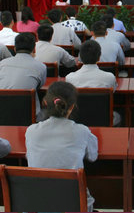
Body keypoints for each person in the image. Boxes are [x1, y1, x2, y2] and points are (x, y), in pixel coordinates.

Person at [25, 82, 98, 211]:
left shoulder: (31, 131)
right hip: (72, 205)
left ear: (45, 103)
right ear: (72, 107)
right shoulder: (81, 131)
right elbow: (92, 156)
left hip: (37, 203)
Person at [66, 39, 121, 125]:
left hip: (77, 121)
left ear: (80, 57)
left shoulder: (69, 78)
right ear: (99, 57)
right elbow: (113, 91)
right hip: (103, 119)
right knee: (117, 116)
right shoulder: (109, 77)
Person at [0, 33, 47, 117]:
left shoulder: (2, 63)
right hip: (28, 115)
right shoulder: (41, 66)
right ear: (34, 49)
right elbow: (39, 86)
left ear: (14, 49)